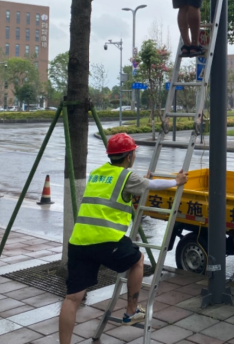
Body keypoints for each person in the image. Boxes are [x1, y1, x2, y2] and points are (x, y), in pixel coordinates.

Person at [59, 133, 188, 344]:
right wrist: (177, 181)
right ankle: (130, 310)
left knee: (73, 297)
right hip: (106, 240)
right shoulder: (127, 177)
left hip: (79, 241)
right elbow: (150, 186)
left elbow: (123, 187)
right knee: (137, 260)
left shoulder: (97, 173)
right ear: (129, 156)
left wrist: (142, 180)